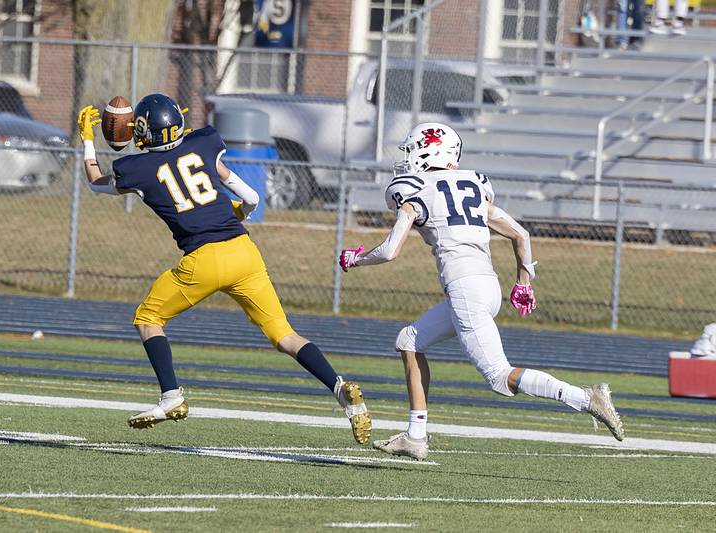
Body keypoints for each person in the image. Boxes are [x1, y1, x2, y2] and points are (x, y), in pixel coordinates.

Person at [76, 95, 371, 444]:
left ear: (145, 132)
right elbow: (252, 199)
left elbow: (96, 183)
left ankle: (171, 396)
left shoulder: (138, 169)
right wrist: (237, 212)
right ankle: (341, 392)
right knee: (284, 335)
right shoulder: (202, 144)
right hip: (244, 252)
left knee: (148, 317)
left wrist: (88, 142)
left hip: (203, 259)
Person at [338, 123, 624, 460]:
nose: (408, 157)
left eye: (412, 149)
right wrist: (523, 282)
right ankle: (415, 436)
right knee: (408, 341)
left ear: (430, 150)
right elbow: (521, 235)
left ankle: (586, 398)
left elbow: (389, 251)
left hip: (464, 289)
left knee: (500, 377)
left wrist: (357, 259)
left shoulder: (415, 191)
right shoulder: (473, 184)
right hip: (488, 286)